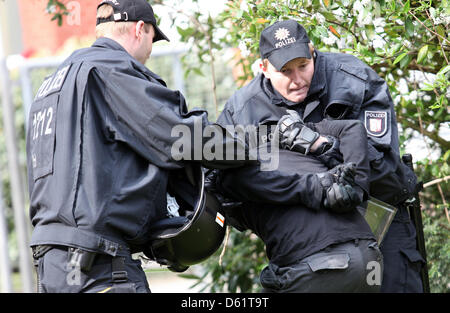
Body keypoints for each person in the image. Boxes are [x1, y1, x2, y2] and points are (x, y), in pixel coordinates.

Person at [26, 0, 254, 293]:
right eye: (152, 40)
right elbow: (181, 137)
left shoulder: (53, 84)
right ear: (140, 29)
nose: (149, 52)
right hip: (97, 263)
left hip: (54, 262)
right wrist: (255, 146)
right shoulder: (110, 70)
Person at [213, 19, 421, 292]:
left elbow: (385, 171)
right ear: (264, 68)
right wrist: (292, 195)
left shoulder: (355, 80)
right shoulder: (241, 112)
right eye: (285, 71)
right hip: (307, 241)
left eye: (303, 65)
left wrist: (324, 147)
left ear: (313, 52)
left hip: (380, 219)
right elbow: (223, 188)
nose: (297, 79)